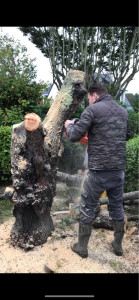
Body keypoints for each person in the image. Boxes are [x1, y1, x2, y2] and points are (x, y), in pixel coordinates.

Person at [64, 82, 131, 258]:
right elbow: (127, 135)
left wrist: (69, 124)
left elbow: (73, 135)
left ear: (94, 95)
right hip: (118, 171)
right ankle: (117, 246)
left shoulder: (92, 110)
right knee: (117, 207)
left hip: (98, 171)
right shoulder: (123, 112)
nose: (89, 102)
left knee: (87, 206)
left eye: (89, 98)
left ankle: (82, 247)